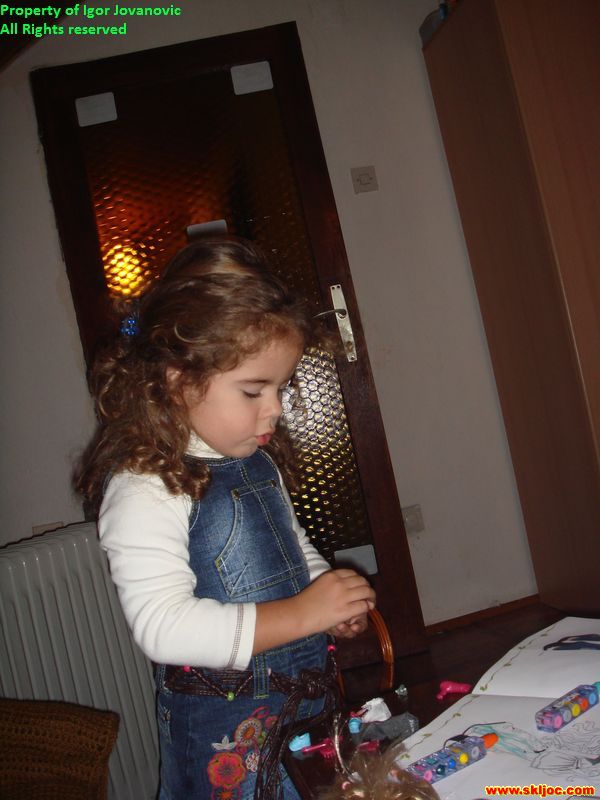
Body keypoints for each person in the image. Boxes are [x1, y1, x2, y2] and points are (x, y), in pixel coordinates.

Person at [75, 238, 376, 800]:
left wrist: (326, 598)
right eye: (254, 390)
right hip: (226, 736)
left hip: (306, 706)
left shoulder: (256, 461)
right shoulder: (144, 484)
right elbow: (163, 628)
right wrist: (302, 613)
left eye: (280, 387)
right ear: (178, 379)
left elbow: (291, 545)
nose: (276, 408)